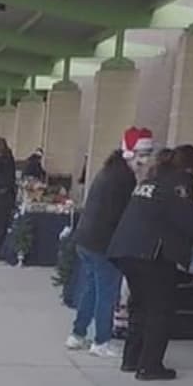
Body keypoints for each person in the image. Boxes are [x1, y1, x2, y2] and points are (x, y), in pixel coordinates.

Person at [108, 143, 193, 380]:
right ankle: (150, 366)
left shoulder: (151, 180)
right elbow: (189, 219)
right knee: (160, 310)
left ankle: (131, 359)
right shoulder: (179, 182)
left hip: (125, 249)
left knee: (140, 306)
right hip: (152, 254)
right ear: (192, 168)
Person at [66, 140, 140, 358]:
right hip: (103, 244)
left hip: (86, 240)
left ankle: (78, 334)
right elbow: (127, 213)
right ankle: (101, 341)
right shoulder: (124, 178)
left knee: (91, 289)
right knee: (107, 293)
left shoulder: (107, 171)